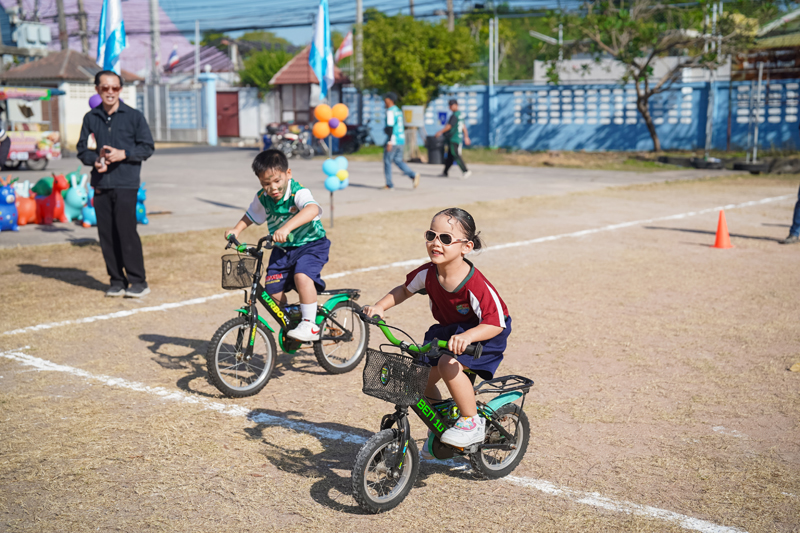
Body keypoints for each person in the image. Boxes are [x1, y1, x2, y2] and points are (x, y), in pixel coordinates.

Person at [363, 207, 512, 451]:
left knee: (446, 363)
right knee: (419, 379)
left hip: (483, 334)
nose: (435, 242)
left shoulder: (475, 285)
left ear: (466, 247)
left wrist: (468, 336)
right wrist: (380, 306)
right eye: (431, 235)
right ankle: (442, 425)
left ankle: (471, 422)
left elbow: (495, 322)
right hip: (450, 331)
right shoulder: (427, 273)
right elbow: (404, 290)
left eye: (445, 238)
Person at [226, 149, 330, 342]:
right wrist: (236, 230)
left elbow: (312, 209)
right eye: (266, 183)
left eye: (277, 181)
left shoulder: (298, 192)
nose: (272, 187)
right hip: (283, 249)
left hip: (311, 245)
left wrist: (287, 227)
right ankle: (293, 319)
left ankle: (309, 324)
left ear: (288, 174)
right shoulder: (263, 198)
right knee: (272, 290)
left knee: (302, 276)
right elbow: (251, 215)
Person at [77, 70, 154, 298]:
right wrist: (95, 160)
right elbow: (82, 149)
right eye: (105, 88)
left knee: (126, 232)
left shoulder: (134, 116)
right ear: (97, 90)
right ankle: (117, 281)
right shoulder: (91, 117)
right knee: (106, 234)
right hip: (101, 183)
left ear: (120, 89)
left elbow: (147, 147)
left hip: (126, 183)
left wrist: (124, 154)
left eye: (115, 88)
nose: (110, 92)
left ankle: (138, 282)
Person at [382, 92, 420, 190]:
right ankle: (413, 175)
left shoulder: (390, 111)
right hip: (401, 139)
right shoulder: (398, 111)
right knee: (398, 160)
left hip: (393, 140)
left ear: (389, 100)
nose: (384, 101)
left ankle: (389, 184)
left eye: (385, 99)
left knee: (387, 161)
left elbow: (390, 128)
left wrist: (389, 142)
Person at [435, 99, 471, 179]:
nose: (450, 107)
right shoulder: (460, 115)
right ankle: (445, 172)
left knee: (455, 154)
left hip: (454, 138)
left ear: (456, 105)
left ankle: (465, 170)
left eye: (452, 105)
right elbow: (463, 127)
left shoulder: (454, 115)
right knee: (449, 157)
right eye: (449, 105)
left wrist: (440, 132)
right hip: (457, 138)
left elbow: (449, 126)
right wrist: (466, 137)